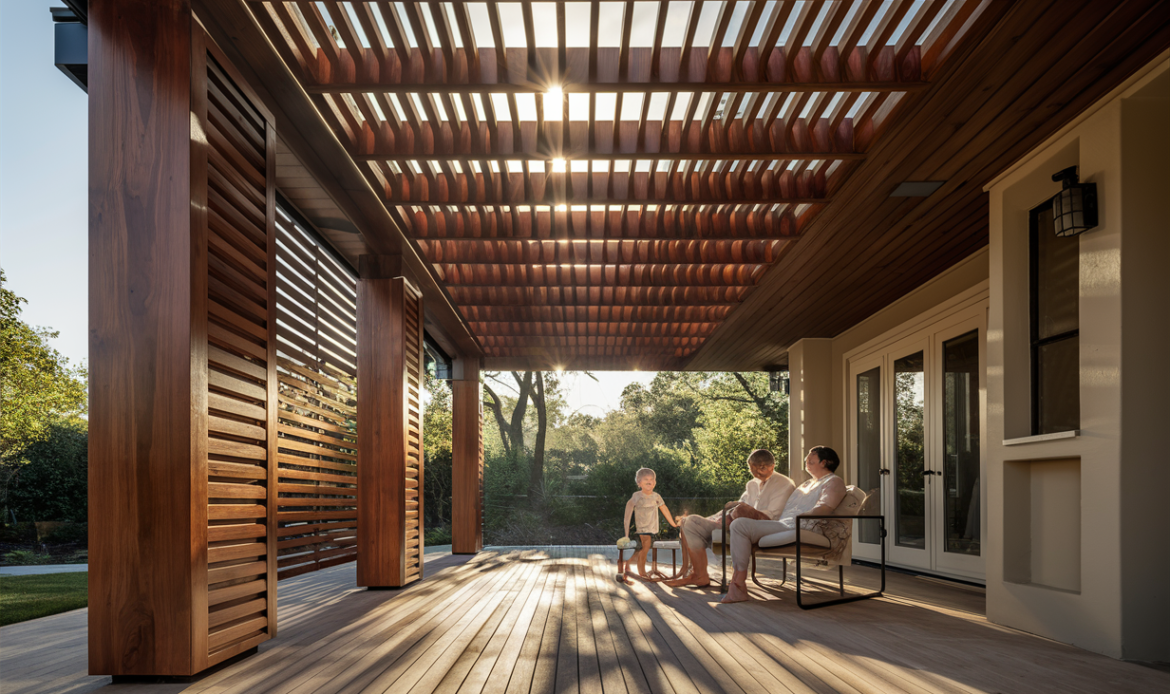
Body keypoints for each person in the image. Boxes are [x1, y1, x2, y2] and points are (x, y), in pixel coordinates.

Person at [721, 445, 847, 603]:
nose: (806, 459)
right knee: (738, 524)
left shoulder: (834, 482)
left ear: (824, 462)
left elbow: (824, 508)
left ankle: (737, 586)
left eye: (810, 457)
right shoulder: (807, 484)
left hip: (802, 527)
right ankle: (738, 583)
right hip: (785, 524)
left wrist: (801, 517)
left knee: (739, 524)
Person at [665, 449, 794, 589]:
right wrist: (716, 517)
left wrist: (734, 513)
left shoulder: (784, 483)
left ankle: (706, 574)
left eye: (759, 469)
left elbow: (770, 516)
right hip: (735, 522)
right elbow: (738, 505)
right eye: (752, 469)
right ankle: (699, 575)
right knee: (690, 521)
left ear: (771, 466)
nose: (755, 473)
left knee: (738, 510)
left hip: (760, 527)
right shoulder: (752, 484)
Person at [621, 468, 678, 579]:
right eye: (645, 479)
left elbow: (664, 509)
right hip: (641, 528)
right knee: (645, 547)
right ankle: (642, 572)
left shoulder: (656, 496)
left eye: (651, 479)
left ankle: (627, 564)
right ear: (639, 482)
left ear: (655, 482)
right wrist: (626, 533)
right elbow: (627, 516)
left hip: (652, 528)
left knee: (641, 549)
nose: (649, 481)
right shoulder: (637, 496)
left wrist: (673, 524)